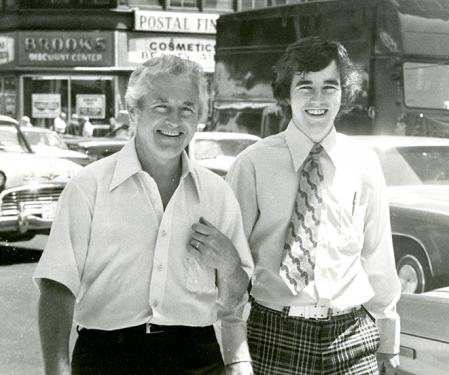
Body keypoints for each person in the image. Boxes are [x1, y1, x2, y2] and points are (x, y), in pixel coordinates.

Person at [34, 55, 254, 375]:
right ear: (134, 112)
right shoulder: (88, 187)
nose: (175, 120)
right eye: (161, 106)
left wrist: (231, 264)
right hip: (106, 358)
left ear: (200, 117)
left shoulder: (217, 194)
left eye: (187, 108)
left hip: (196, 358)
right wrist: (57, 370)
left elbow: (235, 300)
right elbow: (56, 288)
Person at [226, 36, 401, 375]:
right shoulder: (251, 165)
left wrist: (388, 335)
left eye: (329, 87)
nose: (317, 99)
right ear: (286, 94)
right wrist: (234, 350)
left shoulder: (364, 163)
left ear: (344, 93)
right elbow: (232, 267)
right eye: (305, 86)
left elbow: (378, 254)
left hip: (352, 337)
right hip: (274, 335)